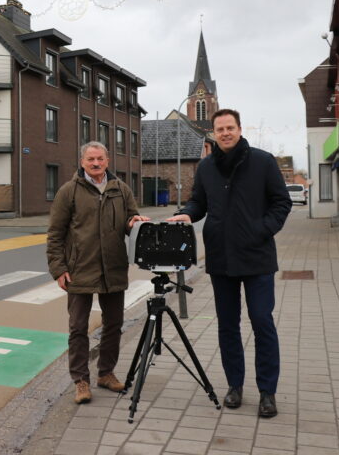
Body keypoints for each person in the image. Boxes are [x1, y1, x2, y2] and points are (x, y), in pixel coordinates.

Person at [167, 109, 291, 418]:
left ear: (239, 129)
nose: (225, 133)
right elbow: (199, 202)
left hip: (257, 257)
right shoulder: (207, 167)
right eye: (220, 129)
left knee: (262, 321)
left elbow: (281, 202)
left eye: (230, 127)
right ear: (214, 132)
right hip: (221, 258)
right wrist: (187, 213)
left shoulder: (262, 161)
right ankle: (234, 385)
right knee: (228, 325)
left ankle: (267, 392)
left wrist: (260, 230)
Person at [47, 141, 149, 404]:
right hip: (79, 269)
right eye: (90, 159)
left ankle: (106, 373)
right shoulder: (68, 191)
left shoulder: (121, 189)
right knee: (78, 328)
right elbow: (55, 234)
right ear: (82, 162)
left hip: (113, 267)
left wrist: (135, 222)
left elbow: (131, 220)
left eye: (100, 159)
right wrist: (59, 268)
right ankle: (81, 381)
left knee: (114, 324)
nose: (95, 163)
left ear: (107, 161)